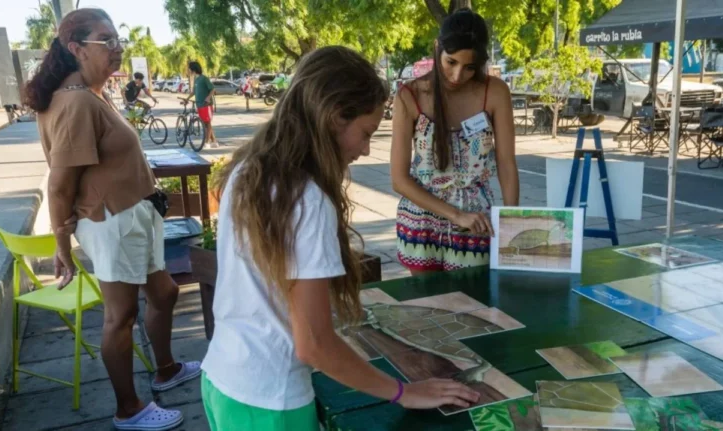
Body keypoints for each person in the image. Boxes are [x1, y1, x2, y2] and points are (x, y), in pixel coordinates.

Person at [201, 46, 480, 431]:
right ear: (334, 118)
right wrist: (403, 391)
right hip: (272, 402)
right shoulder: (307, 198)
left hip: (223, 380)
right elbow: (313, 343)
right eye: (365, 133)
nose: (366, 150)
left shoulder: (249, 168)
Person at [24, 9, 200, 431]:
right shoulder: (76, 101)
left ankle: (166, 368)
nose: (118, 49)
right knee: (120, 317)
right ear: (76, 48)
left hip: (131, 216)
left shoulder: (90, 93)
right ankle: (129, 409)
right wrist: (61, 247)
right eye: (107, 42)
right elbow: (60, 185)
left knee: (165, 293)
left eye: (118, 40)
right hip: (112, 221)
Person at [391, 8, 519, 274]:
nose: (458, 75)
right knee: (427, 307)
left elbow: (506, 163)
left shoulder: (494, 92)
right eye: (451, 62)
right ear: (438, 48)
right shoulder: (409, 96)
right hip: (421, 221)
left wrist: (512, 220)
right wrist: (455, 215)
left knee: (476, 305)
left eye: (470, 67)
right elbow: (399, 180)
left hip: (477, 222)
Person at [183, 61, 217, 146]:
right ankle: (214, 141)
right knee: (206, 123)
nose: (189, 71)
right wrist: (187, 99)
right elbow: (194, 92)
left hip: (206, 104)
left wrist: (208, 97)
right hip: (199, 104)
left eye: (189, 69)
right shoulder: (196, 79)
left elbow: (212, 89)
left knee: (207, 122)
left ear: (193, 69)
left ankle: (207, 142)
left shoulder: (204, 78)